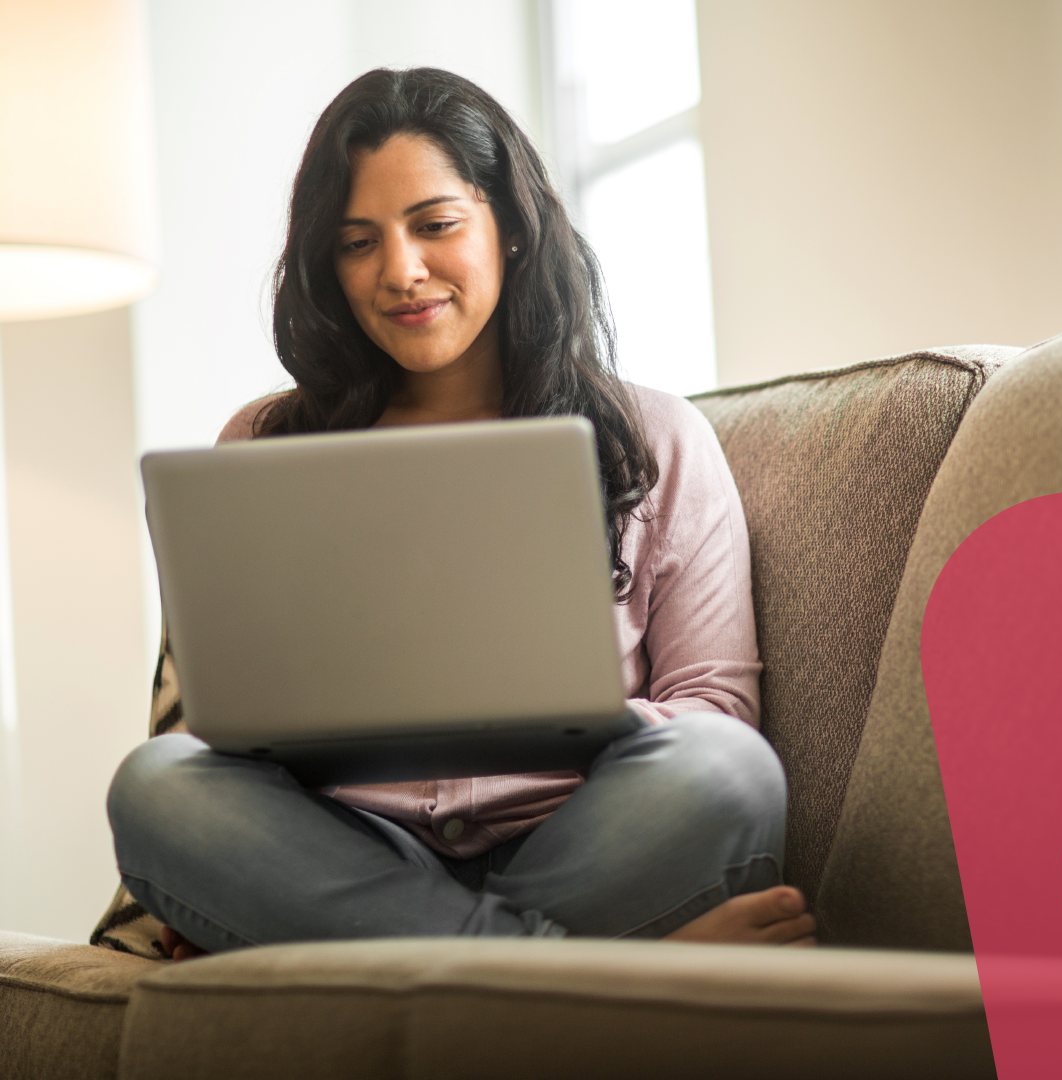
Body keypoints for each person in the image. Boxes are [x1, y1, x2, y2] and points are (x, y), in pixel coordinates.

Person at [106, 67, 814, 957]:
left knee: (730, 771)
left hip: (581, 840)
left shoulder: (655, 438)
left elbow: (715, 707)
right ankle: (573, 984)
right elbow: (225, 728)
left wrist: (580, 716)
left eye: (435, 225)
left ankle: (447, 975)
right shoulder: (264, 443)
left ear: (509, 229)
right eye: (358, 243)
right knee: (157, 785)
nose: (400, 272)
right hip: (349, 852)